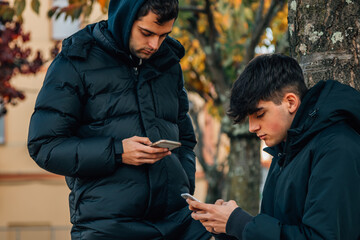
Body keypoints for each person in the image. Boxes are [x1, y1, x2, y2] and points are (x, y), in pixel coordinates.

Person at [27, 0, 211, 239]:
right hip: (108, 226)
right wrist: (117, 152)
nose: (154, 44)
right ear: (124, 19)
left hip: (176, 222)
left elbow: (185, 139)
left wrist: (183, 185)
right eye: (146, 33)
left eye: (164, 35)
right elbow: (44, 145)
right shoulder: (74, 62)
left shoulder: (169, 64)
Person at [187, 53, 360, 239]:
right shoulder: (284, 152)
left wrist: (240, 223)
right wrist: (227, 227)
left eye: (259, 114)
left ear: (290, 102)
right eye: (249, 119)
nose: (252, 128)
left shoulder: (338, 148)